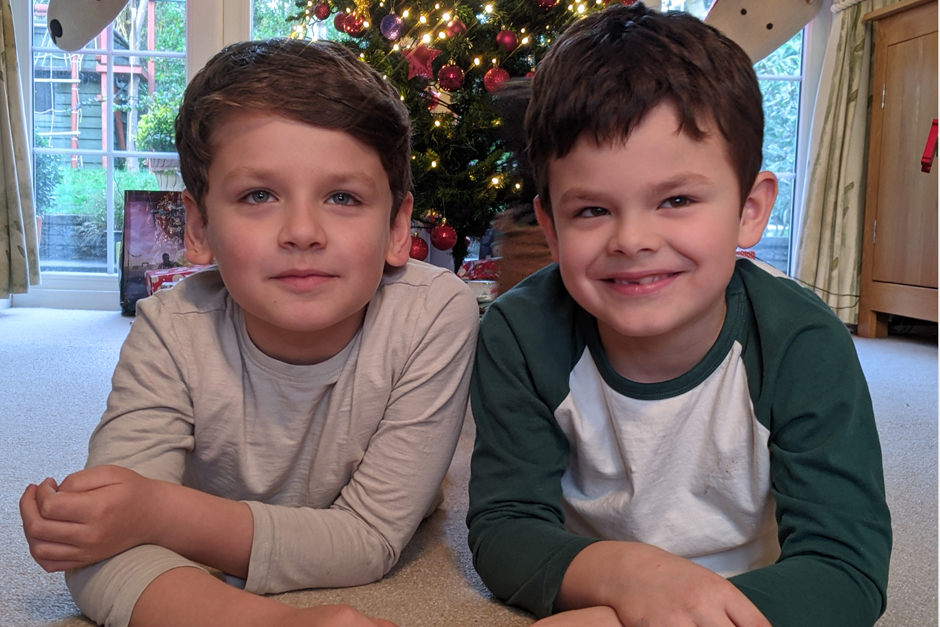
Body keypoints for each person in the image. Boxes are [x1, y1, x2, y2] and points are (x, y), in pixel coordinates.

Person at [20, 39, 479, 627]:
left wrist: (158, 513)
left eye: (343, 197)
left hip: (328, 520)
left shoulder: (435, 313)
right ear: (199, 226)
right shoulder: (170, 329)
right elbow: (102, 551)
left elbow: (369, 539)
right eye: (258, 195)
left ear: (396, 226)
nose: (303, 231)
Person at [467, 5, 892, 627]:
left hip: (755, 598)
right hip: (600, 579)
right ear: (551, 227)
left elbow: (845, 569)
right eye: (590, 211)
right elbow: (505, 529)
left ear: (750, 209)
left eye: (677, 199)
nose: (632, 240)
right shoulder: (519, 334)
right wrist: (629, 581)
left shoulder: (801, 340)